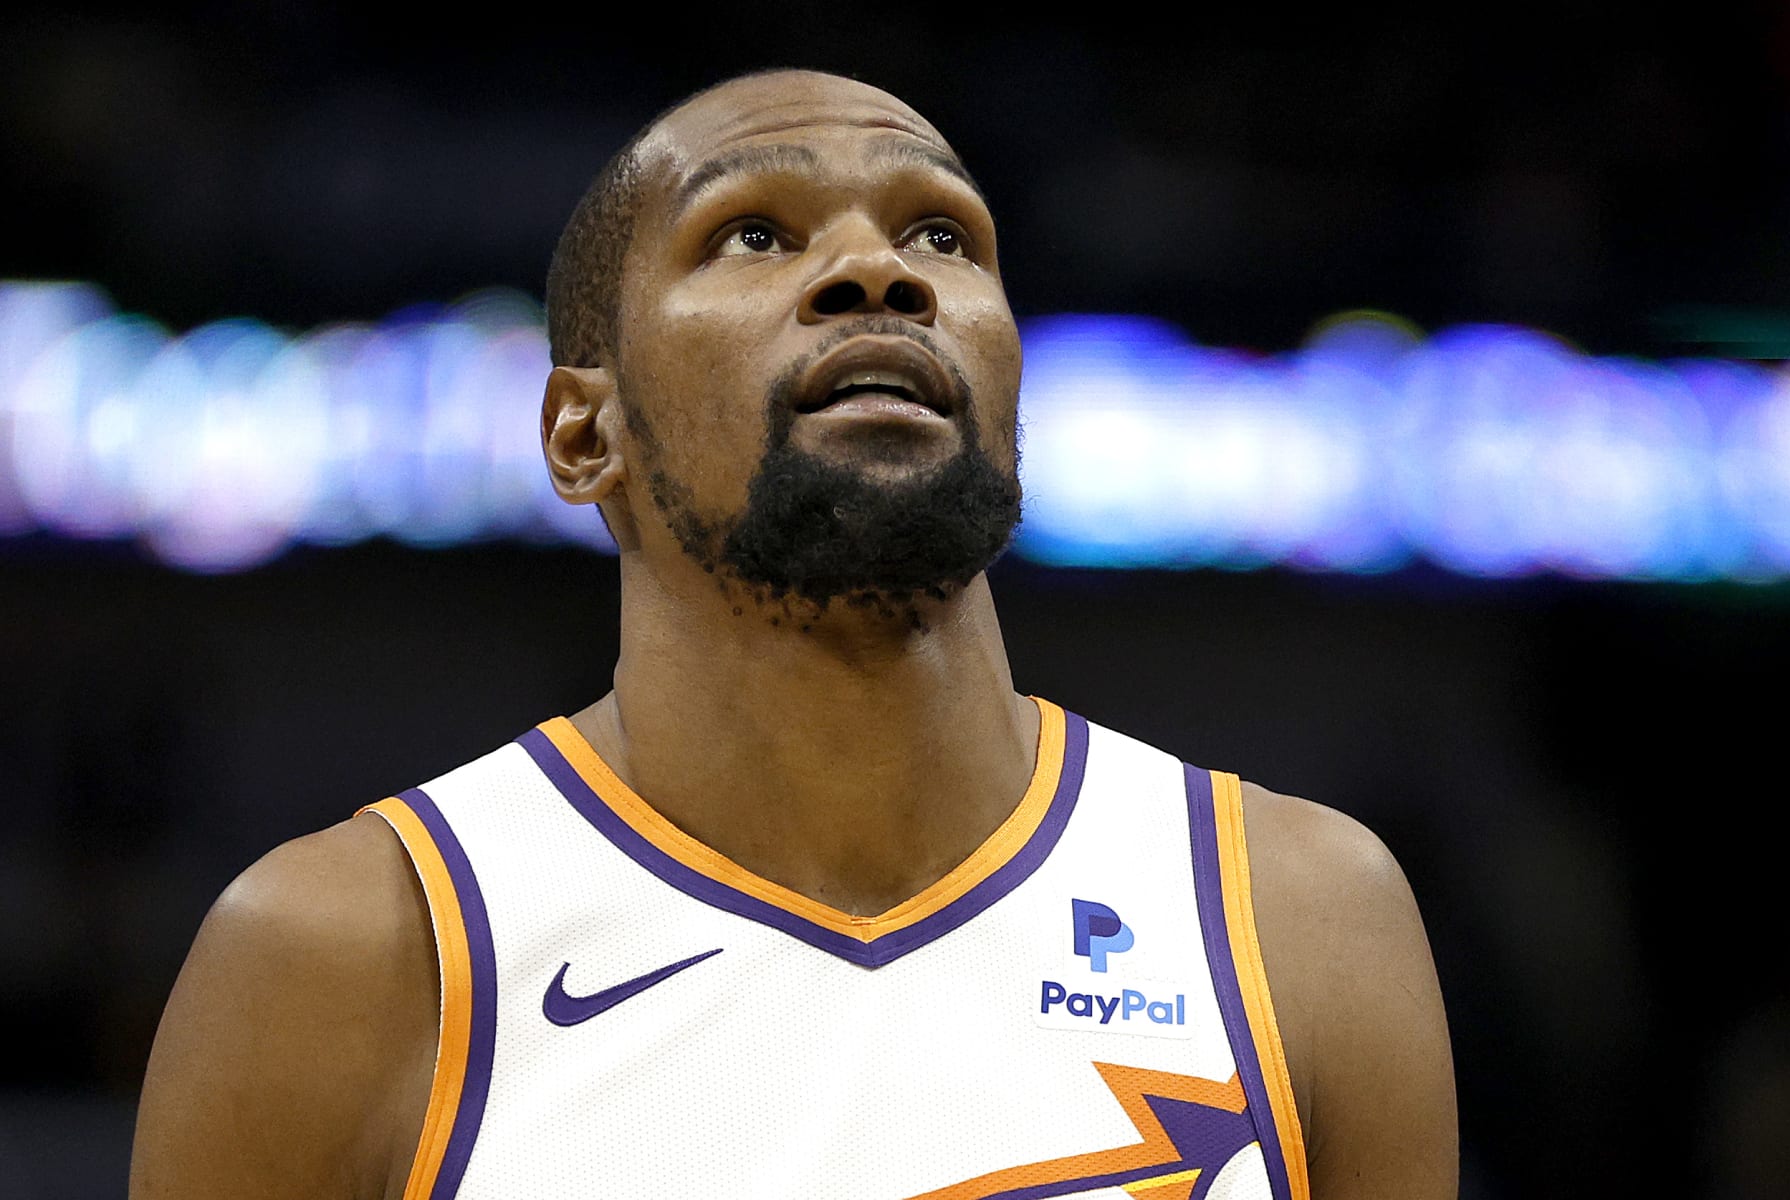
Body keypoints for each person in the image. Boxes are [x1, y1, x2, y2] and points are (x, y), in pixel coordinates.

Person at [129, 69, 1457, 1199]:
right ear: (584, 435)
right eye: (754, 234)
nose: (878, 269)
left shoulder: (1302, 918)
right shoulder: (345, 954)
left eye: (943, 236)